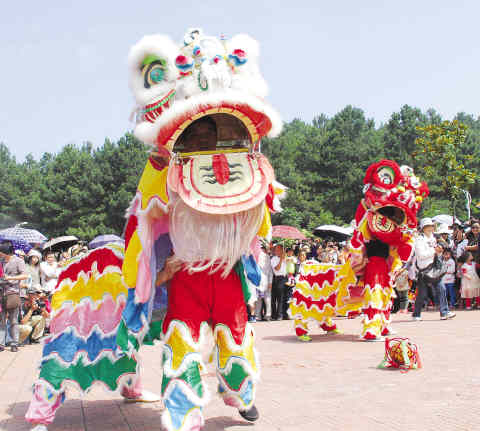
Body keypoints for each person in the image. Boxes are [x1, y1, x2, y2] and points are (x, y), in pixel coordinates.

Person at [412, 219, 455, 321]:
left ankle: (444, 312)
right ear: (423, 228)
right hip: (424, 270)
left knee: (440, 288)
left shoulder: (433, 238)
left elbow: (438, 252)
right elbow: (421, 255)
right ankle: (416, 314)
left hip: (434, 268)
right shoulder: (419, 240)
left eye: (431, 226)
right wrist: (434, 250)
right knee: (422, 293)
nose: (430, 228)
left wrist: (439, 251)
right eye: (428, 226)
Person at [0, 241, 28, 352]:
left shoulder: (18, 261)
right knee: (1, 320)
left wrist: (10, 278)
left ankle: (14, 343)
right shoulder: (1, 261)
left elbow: (25, 275)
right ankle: (1, 344)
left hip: (13, 293)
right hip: (1, 293)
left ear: (5, 251)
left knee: (13, 320)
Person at [255, 246, 273, 321]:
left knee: (261, 299)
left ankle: (258, 315)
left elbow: (270, 271)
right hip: (263, 281)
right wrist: (270, 282)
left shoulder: (257, 257)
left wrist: (270, 282)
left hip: (260, 281)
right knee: (266, 299)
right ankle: (266, 315)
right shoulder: (266, 257)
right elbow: (270, 271)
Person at [271, 244, 287, 320]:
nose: (277, 251)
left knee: (281, 298)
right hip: (276, 278)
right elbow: (277, 268)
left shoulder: (286, 258)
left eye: (279, 250)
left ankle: (280, 315)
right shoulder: (273, 259)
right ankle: (274, 315)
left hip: (284, 278)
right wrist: (281, 259)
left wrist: (285, 259)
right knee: (274, 298)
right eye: (276, 250)